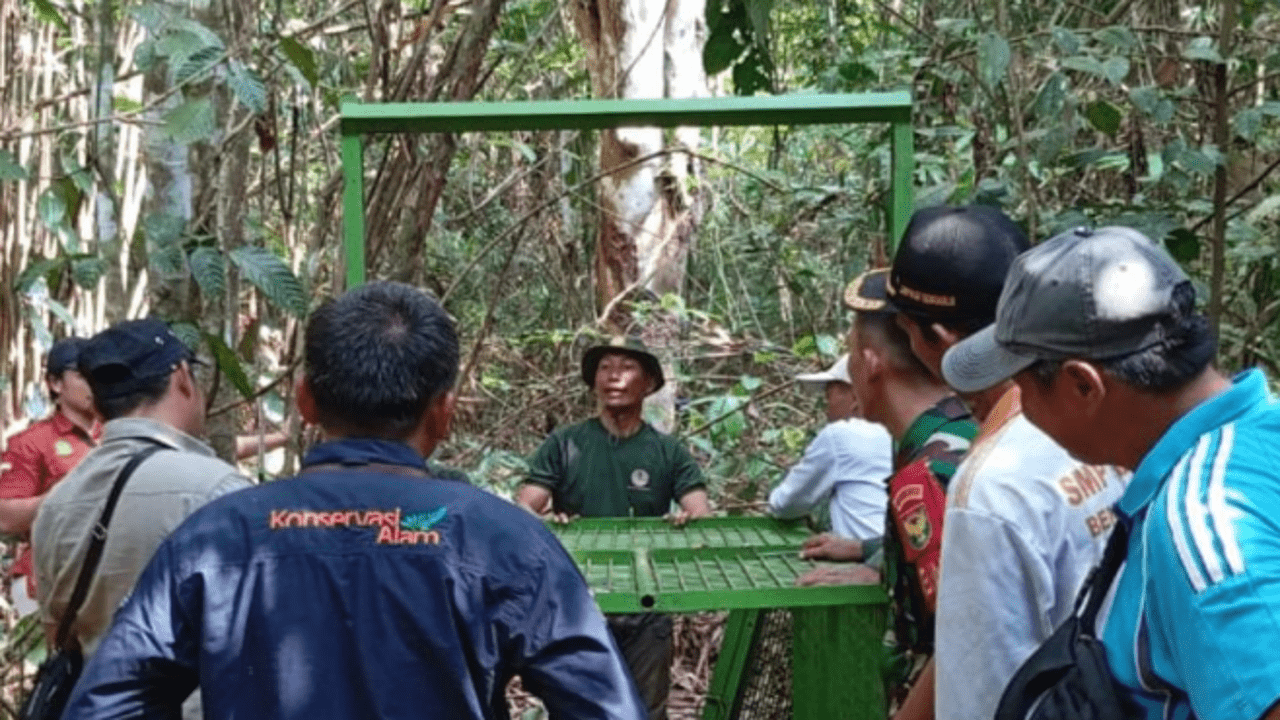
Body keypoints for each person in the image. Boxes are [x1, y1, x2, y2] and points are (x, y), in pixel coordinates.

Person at [64, 282, 645, 720]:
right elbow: (605, 706)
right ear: (443, 412)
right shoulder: (503, 539)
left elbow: (106, 703)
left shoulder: (217, 537)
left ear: (305, 401)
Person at [944, 225, 1280, 720]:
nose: (1021, 409)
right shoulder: (1260, 434)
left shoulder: (1203, 527)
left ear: (1083, 385)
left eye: (1021, 388)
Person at [886, 207, 1125, 720]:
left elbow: (981, 698)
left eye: (908, 331)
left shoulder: (990, 487)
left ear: (939, 340)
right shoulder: (1102, 426)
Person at [799, 269, 978, 713]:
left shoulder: (927, 473)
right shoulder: (962, 427)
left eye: (850, 356)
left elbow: (956, 646)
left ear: (871, 363)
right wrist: (877, 557)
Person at [516, 335, 710, 720]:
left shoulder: (667, 452)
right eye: (605, 368)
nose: (613, 377)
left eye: (626, 367)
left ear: (649, 383)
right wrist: (548, 518)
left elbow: (701, 515)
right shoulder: (565, 443)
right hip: (579, 604)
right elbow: (525, 508)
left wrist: (685, 522)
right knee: (575, 710)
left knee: (646, 710)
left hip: (646, 605)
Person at [32, 320, 252, 657]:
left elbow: (59, 638)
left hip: (97, 707)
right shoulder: (218, 490)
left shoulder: (56, 505)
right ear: (181, 377)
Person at [0, 337, 100, 616]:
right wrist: (60, 497)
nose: (93, 382)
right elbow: (4, 517)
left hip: (107, 577)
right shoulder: (31, 442)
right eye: (82, 374)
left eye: (98, 372)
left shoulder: (120, 435)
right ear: (56, 384)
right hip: (41, 580)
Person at [767, 353, 891, 542]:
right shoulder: (900, 431)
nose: (826, 407)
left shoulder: (840, 435)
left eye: (828, 396)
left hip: (867, 559)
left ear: (856, 396)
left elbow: (785, 504)